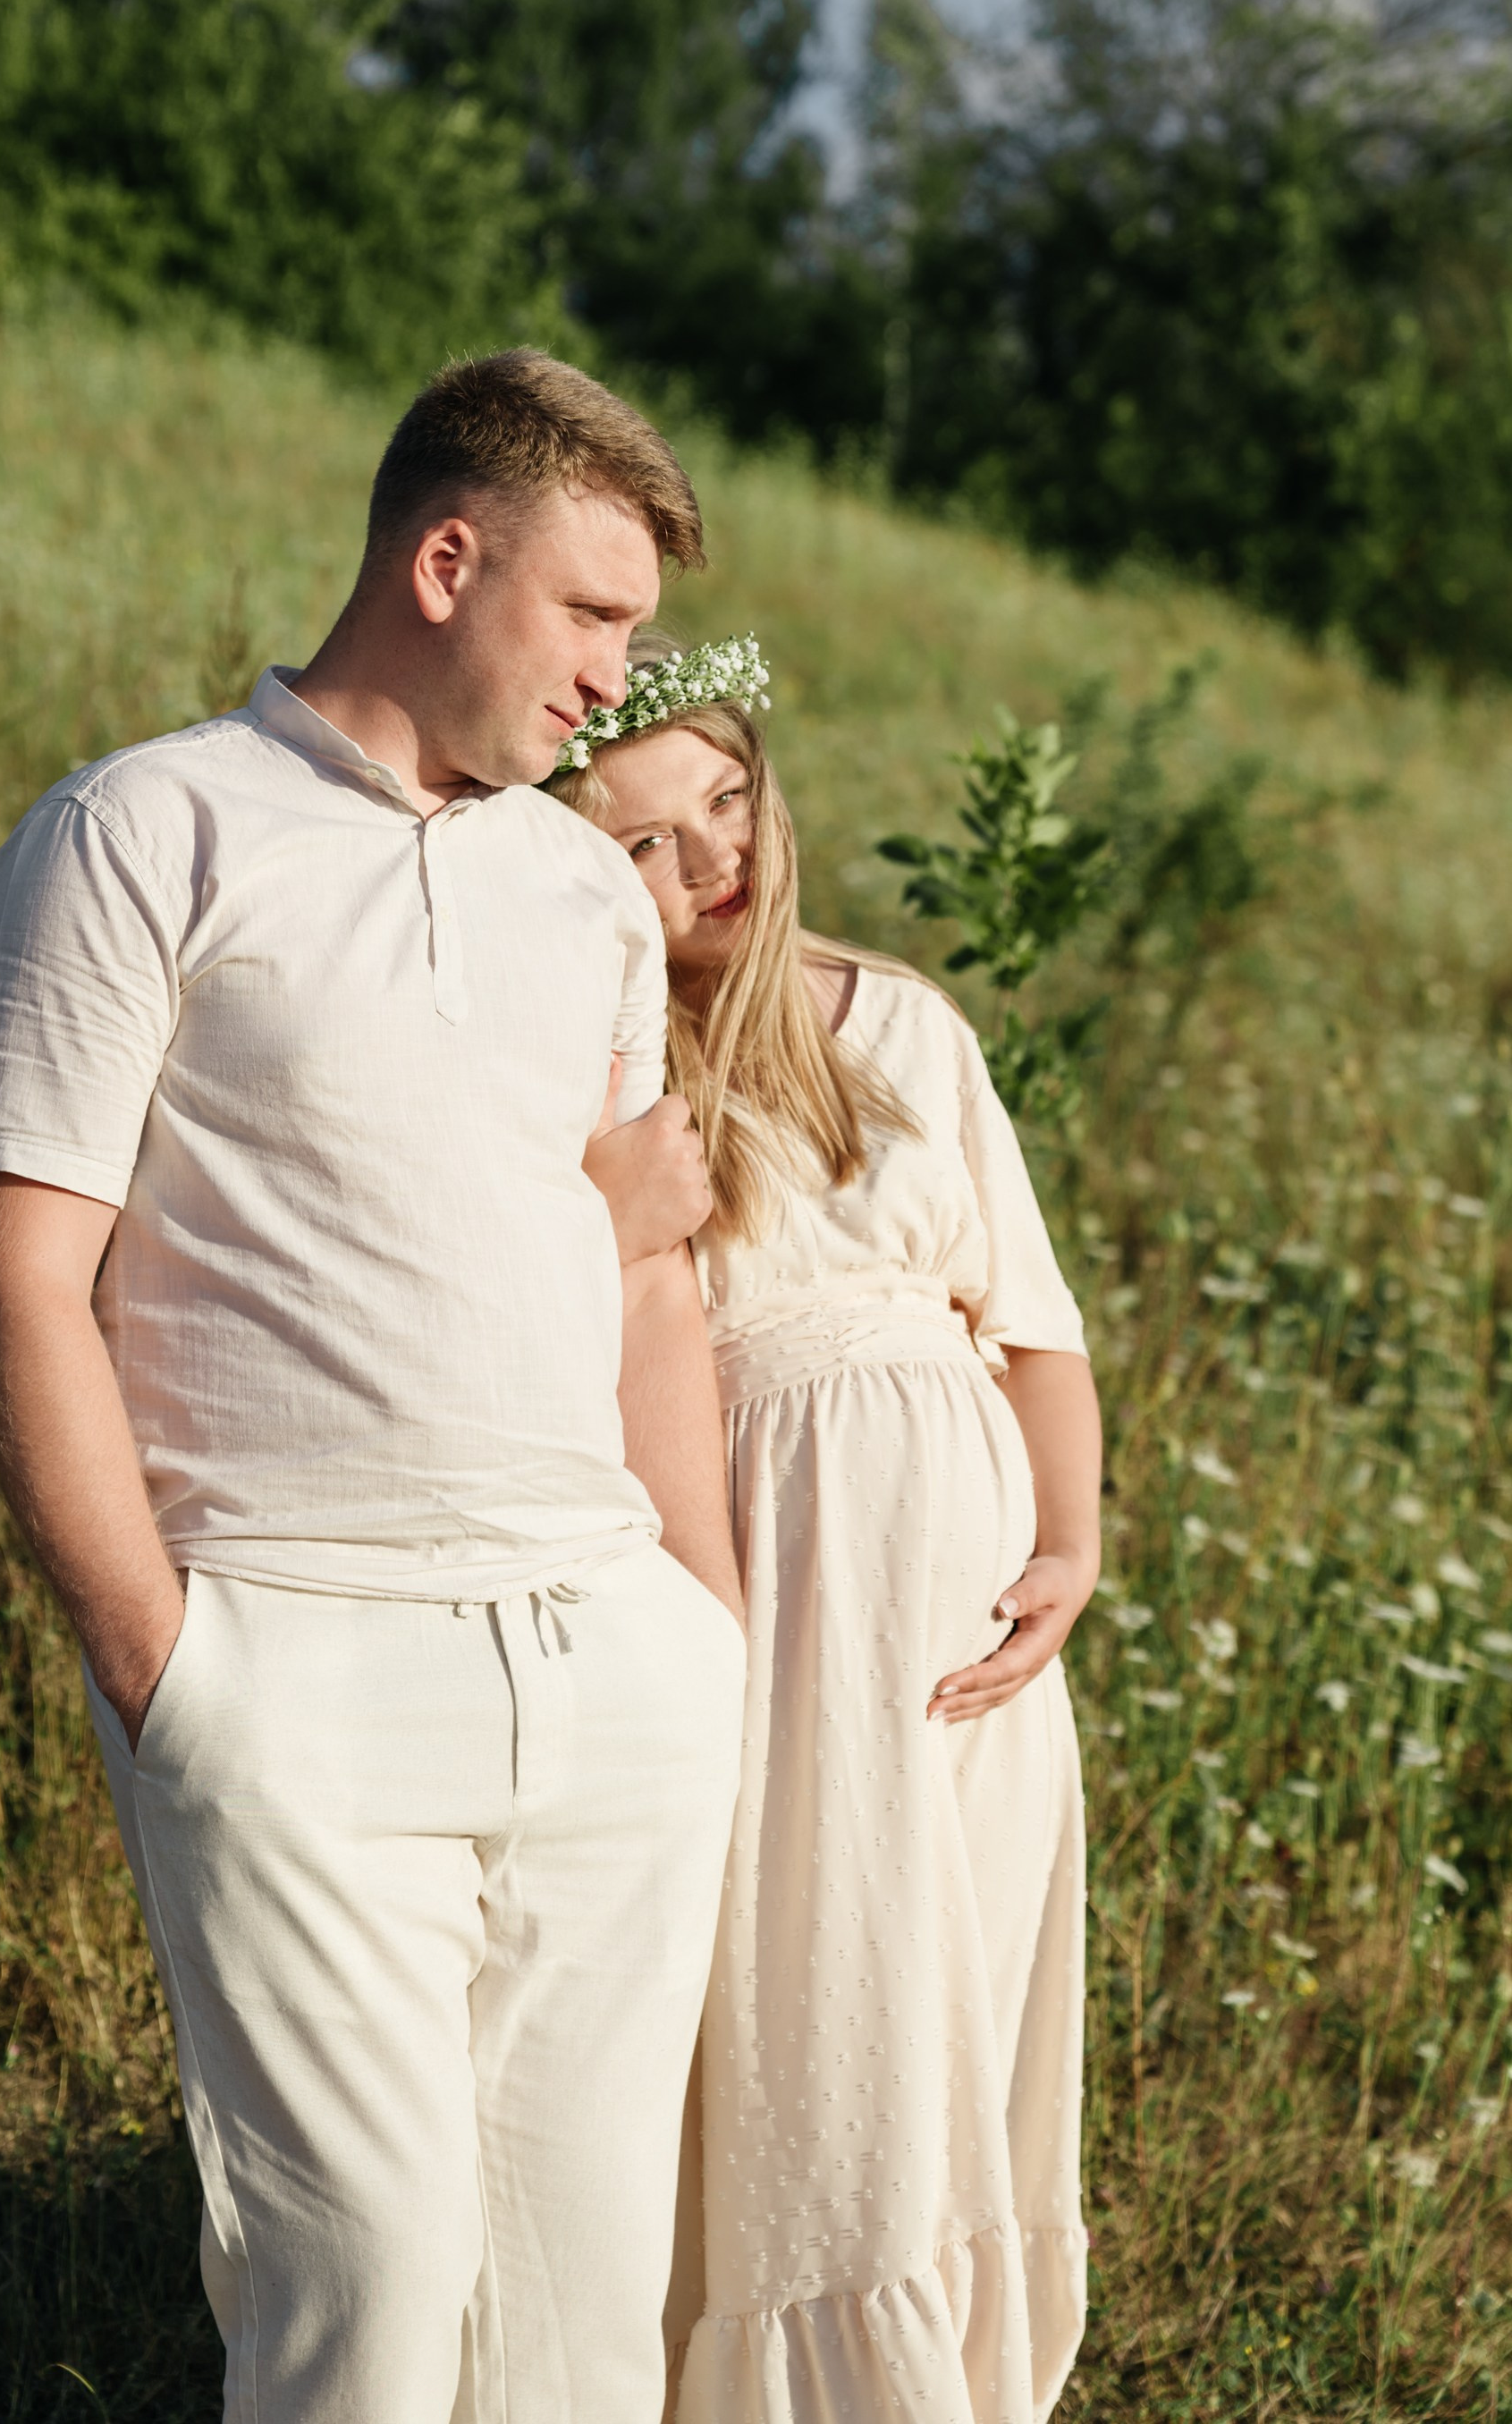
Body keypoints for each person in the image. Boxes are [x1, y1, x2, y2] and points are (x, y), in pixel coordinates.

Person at [0, 352, 748, 2424]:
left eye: (637, 637)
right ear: (444, 557)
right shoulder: (137, 829)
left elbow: (643, 1274)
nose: (614, 680)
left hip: (609, 1660)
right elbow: (20, 1269)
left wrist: (709, 1632)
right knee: (366, 2305)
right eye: (591, 618)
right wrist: (162, 1668)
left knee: (579, 2330)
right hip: (292, 1658)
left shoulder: (580, 885)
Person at [549, 638, 1100, 2424]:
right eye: (637, 839)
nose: (704, 858)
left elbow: (1032, 1330)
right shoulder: (599, 1083)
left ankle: (963, 2371)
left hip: (964, 1624)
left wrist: (1068, 1549)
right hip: (777, 1593)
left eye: (725, 799)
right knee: (820, 2001)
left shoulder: (907, 1025)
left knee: (964, 1980)